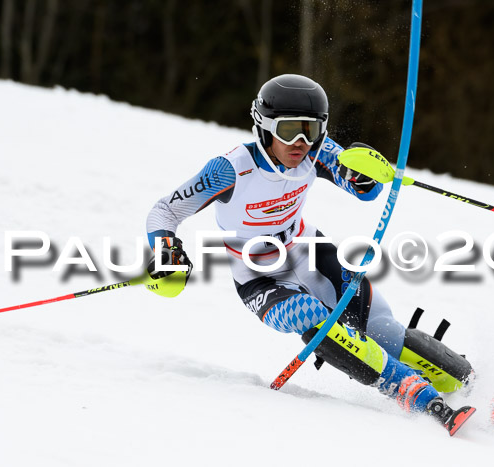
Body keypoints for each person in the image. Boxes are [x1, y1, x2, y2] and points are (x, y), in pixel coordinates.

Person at [144, 74, 476, 435]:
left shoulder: (317, 151)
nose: (301, 142)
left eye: (312, 129)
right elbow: (165, 211)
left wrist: (363, 177)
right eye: (289, 130)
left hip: (309, 252)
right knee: (316, 319)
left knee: (379, 326)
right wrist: (166, 250)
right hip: (260, 278)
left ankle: (473, 384)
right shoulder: (231, 169)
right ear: (264, 126)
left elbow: (363, 191)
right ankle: (409, 389)